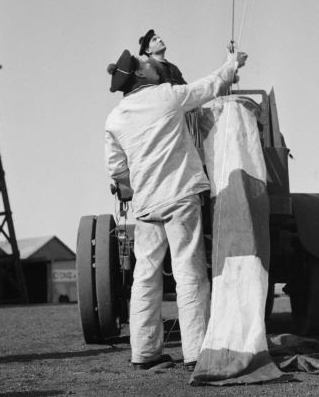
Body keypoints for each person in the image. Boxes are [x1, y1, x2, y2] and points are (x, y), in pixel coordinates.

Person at [104, 46, 247, 371]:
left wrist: (135, 185)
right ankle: (196, 351)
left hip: (145, 204)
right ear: (141, 75)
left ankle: (144, 353)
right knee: (189, 272)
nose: (152, 62)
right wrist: (232, 64)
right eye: (146, 62)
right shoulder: (166, 96)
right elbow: (208, 87)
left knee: (145, 274)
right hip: (180, 196)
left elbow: (116, 169)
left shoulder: (114, 118)